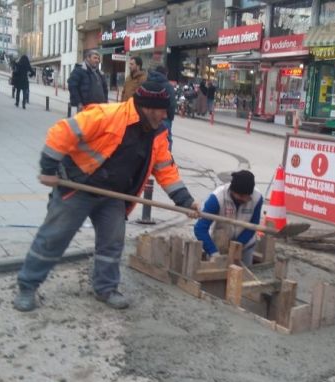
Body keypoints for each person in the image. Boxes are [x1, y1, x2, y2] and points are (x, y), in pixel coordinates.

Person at [13, 81, 201, 312]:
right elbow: (62, 132)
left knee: (113, 242)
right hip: (78, 186)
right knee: (54, 237)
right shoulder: (108, 115)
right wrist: (48, 168)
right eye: (163, 111)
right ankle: (27, 285)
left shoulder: (157, 133)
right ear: (150, 108)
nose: (165, 117)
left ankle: (106, 288)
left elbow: (165, 169)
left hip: (113, 195)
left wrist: (185, 201)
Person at [194, 170, 263, 266]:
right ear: (233, 191)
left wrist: (237, 245)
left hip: (245, 246)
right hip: (219, 245)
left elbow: (252, 226)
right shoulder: (217, 198)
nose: (245, 199)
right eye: (241, 196)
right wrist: (213, 252)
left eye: (248, 196)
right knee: (217, 275)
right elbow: (200, 228)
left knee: (244, 276)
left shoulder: (257, 198)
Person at [147, 65, 176, 149]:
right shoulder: (168, 86)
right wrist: (170, 117)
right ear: (166, 74)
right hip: (163, 117)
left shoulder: (148, 82)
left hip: (148, 116)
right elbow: (172, 104)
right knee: (166, 139)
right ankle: (164, 159)